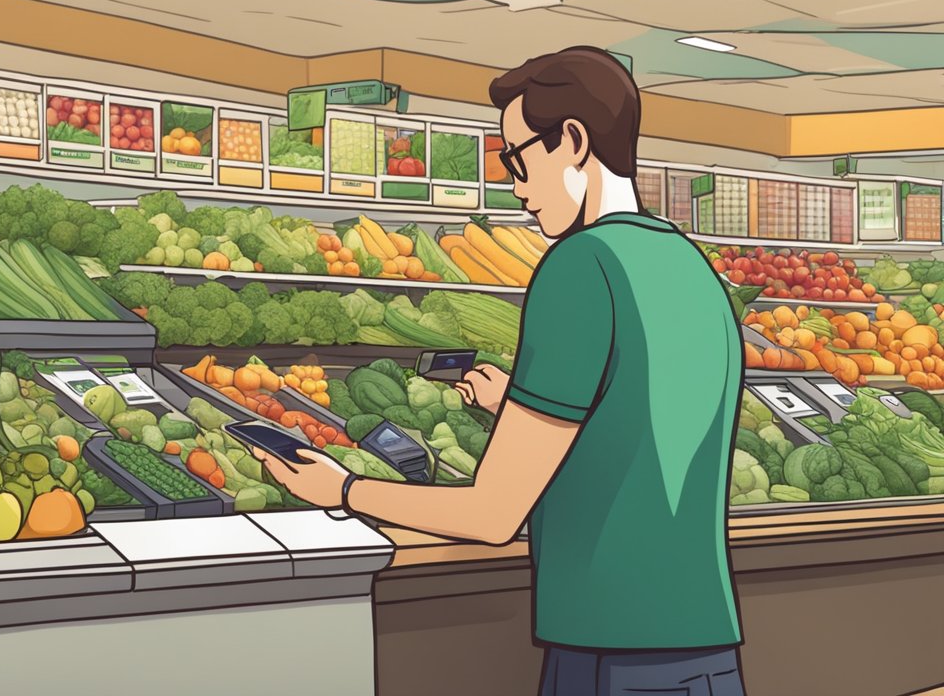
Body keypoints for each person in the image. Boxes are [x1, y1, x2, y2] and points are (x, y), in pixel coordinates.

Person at [254, 46, 747, 696]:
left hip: (610, 650)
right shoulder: (693, 270)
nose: (515, 188)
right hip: (703, 650)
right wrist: (516, 404)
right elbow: (646, 424)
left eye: (518, 159)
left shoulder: (581, 267)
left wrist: (342, 490)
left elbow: (493, 516)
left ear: (572, 140)